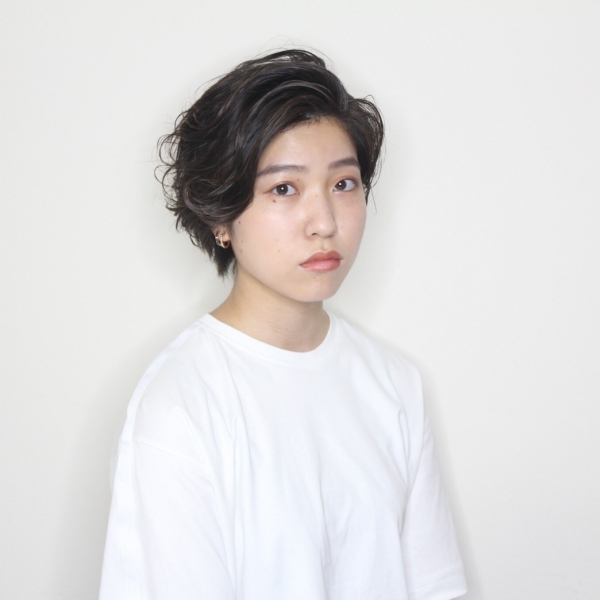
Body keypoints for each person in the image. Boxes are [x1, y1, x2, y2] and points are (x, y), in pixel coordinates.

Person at [99, 49, 467, 600]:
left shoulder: (395, 385)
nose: (324, 223)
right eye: (284, 189)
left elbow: (434, 587)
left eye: (344, 184)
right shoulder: (181, 405)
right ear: (221, 217)